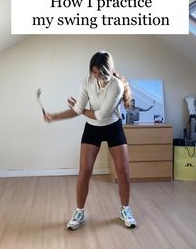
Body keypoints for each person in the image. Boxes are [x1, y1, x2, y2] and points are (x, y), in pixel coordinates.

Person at [44, 51, 137, 230]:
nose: (97, 76)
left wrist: (80, 109)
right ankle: (79, 211)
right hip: (92, 129)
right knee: (85, 170)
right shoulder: (87, 82)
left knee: (123, 170)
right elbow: (77, 110)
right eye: (94, 72)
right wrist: (54, 116)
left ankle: (125, 209)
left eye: (100, 73)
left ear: (108, 71)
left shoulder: (116, 86)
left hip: (112, 127)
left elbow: (101, 115)